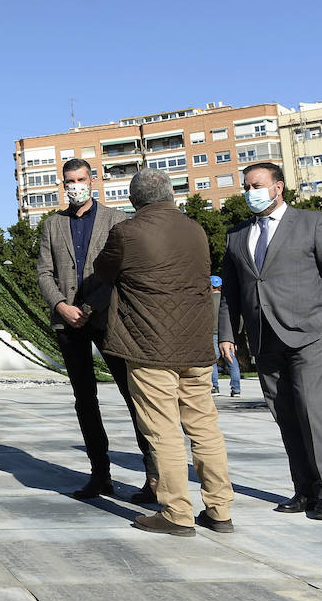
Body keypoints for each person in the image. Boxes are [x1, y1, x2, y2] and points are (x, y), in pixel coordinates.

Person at [93, 169, 233, 537]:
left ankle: (176, 513)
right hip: (196, 346)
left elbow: (103, 270)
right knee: (204, 427)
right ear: (171, 195)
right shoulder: (196, 230)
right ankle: (220, 509)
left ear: (134, 200)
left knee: (164, 432)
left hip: (150, 346)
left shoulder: (126, 232)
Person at [219, 162, 322, 521]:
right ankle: (304, 490)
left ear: (278, 187)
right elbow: (230, 293)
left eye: (257, 185)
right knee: (286, 417)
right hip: (264, 339)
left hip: (309, 336)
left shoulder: (312, 223)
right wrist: (227, 334)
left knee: (313, 412)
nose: (251, 192)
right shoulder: (237, 235)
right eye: (246, 186)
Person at [36, 157, 157, 504]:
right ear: (63, 185)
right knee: (84, 400)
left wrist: (88, 308)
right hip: (67, 320)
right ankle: (100, 474)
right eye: (69, 181)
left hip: (109, 320)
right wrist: (61, 305)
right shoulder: (51, 225)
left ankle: (153, 475)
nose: (75, 185)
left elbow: (120, 272)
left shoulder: (117, 220)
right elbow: (45, 273)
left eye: (80, 179)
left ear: (93, 180)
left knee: (133, 396)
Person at [210, 276, 241, 397]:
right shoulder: (226, 300)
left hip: (212, 333)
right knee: (231, 360)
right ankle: (236, 389)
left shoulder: (208, 299)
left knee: (212, 360)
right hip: (227, 334)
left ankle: (214, 386)